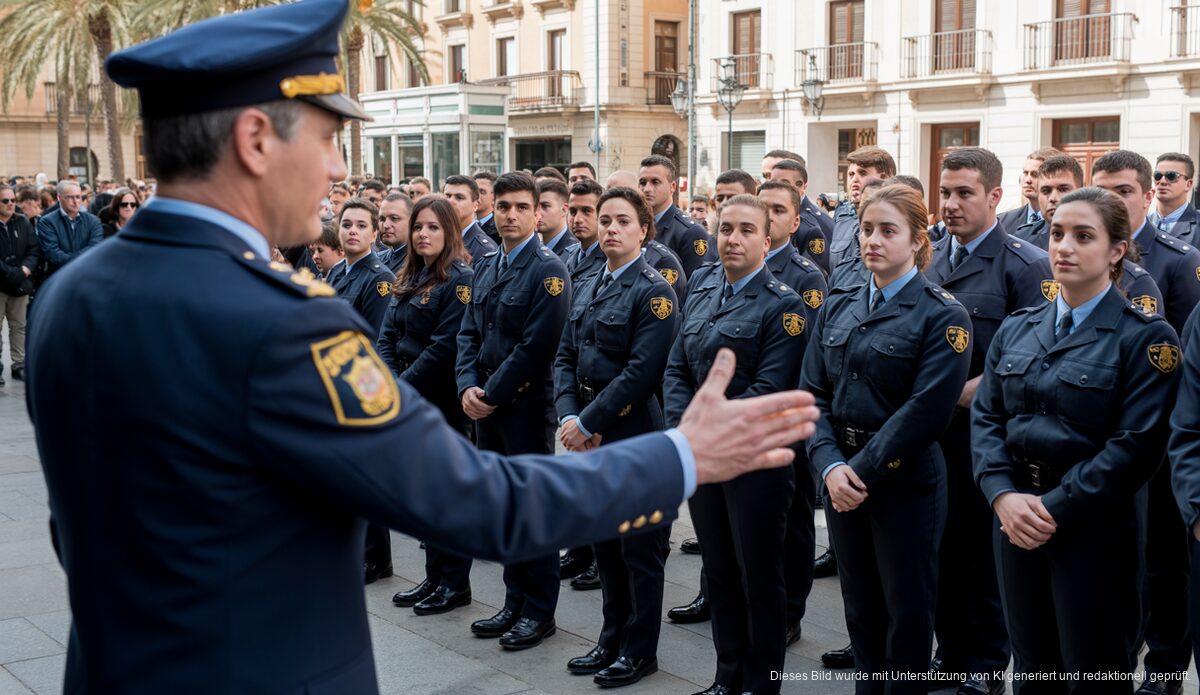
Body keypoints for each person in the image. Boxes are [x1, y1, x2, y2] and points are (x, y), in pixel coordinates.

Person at [29, 2, 822, 692]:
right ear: (255, 138)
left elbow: (82, 531)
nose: (339, 166)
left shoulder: (71, 293)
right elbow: (481, 504)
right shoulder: (279, 321)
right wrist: (684, 454)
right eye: (330, 136)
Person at [973, 187, 1180, 689]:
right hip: (1016, 523)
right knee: (1033, 670)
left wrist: (1051, 508)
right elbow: (987, 418)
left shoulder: (1146, 337)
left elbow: (1136, 447)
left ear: (1116, 251)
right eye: (1057, 233)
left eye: (1083, 236)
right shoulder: (1019, 328)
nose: (1063, 246)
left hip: (1094, 532)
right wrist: (1002, 496)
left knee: (1095, 673)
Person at [800, 183, 971, 693]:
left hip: (903, 482)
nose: (872, 240)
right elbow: (811, 392)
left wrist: (859, 471)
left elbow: (926, 411)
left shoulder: (943, 315)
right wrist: (830, 466)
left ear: (918, 240)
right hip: (841, 478)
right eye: (868, 230)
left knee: (907, 612)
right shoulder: (841, 303)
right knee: (861, 608)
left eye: (888, 231)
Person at [665, 195, 810, 695]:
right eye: (726, 229)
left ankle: (760, 683)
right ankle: (727, 677)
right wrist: (686, 431)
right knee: (720, 573)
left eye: (746, 230)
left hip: (755, 465)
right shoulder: (703, 287)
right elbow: (678, 367)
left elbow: (771, 388)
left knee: (759, 580)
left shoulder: (785, 305)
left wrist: (710, 430)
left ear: (767, 242)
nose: (733, 239)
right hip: (702, 458)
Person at [925, 148, 1054, 695]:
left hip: (991, 437)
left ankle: (987, 664)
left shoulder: (1026, 266)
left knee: (986, 557)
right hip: (934, 436)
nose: (950, 204)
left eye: (964, 194)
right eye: (946, 192)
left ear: (995, 197)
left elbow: (1033, 354)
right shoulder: (929, 257)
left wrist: (953, 393)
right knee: (944, 552)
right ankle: (950, 653)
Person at [554, 186, 680, 688]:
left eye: (622, 221)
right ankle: (610, 636)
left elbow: (643, 372)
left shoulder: (655, 292)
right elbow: (565, 355)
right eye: (604, 219)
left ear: (644, 231)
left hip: (631, 434)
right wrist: (568, 415)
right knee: (606, 546)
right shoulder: (587, 283)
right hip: (587, 431)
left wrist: (586, 424)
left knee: (639, 552)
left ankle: (638, 649)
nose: (609, 228)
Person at [1092, 150, 1200, 694]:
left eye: (1125, 191)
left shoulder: (1176, 261)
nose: (1113, 201)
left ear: (1145, 194)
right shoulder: (1076, 253)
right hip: (1097, 439)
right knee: (1118, 564)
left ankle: (1164, 668)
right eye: (1102, 189)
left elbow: (1182, 358)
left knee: (1164, 560)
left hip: (1159, 437)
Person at [455, 171, 573, 651]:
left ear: (538, 213)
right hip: (486, 405)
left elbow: (535, 348)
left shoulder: (548, 272)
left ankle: (538, 611)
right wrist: (466, 385)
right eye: (502, 206)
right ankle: (512, 601)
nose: (510, 215)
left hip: (524, 407)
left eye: (521, 207)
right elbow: (468, 333)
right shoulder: (486, 263)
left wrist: (489, 394)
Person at [377, 196, 476, 616]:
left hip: (439, 404)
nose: (423, 234)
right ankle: (433, 577)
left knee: (448, 498)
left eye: (433, 227)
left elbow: (443, 348)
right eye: (418, 227)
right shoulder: (410, 274)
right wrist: (387, 383)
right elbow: (386, 336)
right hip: (407, 398)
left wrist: (401, 389)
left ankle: (454, 583)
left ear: (450, 231)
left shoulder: (459, 279)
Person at [639, 155, 715, 276]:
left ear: (672, 186)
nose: (647, 189)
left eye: (655, 182)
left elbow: (696, 284)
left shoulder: (691, 232)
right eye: (642, 182)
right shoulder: (636, 226)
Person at [0, 184, 40, 384]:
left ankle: (19, 364)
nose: (10, 204)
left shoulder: (23, 222)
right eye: (5, 201)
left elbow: (34, 250)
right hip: (1, 284)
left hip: (20, 284)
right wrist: (11, 274)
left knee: (19, 326)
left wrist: (24, 270)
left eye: (13, 200)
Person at [830, 146, 895, 268]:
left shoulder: (899, 217)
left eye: (863, 173)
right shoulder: (842, 214)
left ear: (885, 178)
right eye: (851, 174)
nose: (854, 180)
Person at [767, 159, 832, 274]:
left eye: (783, 184)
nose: (775, 188)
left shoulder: (812, 226)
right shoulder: (763, 216)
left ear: (801, 186)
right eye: (772, 183)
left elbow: (814, 275)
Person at [37, 180, 103, 278]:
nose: (75, 201)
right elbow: (53, 253)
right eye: (70, 197)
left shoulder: (93, 221)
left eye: (78, 197)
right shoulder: (47, 222)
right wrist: (79, 262)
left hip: (87, 277)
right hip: (59, 278)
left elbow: (94, 249)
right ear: (59, 198)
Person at [997, 147, 1062, 236]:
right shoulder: (1003, 221)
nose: (1028, 180)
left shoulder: (1063, 222)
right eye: (1025, 173)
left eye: (1035, 175)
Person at [443, 174, 498, 266]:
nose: (451, 201)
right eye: (448, 196)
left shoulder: (485, 250)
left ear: (475, 205)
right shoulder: (436, 238)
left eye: (459, 197)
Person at [565, 179, 607, 285]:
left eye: (587, 211)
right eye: (573, 212)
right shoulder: (564, 255)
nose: (578, 220)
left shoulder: (611, 260)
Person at [1151, 153, 1198, 243]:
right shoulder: (1141, 223)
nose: (1162, 181)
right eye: (1158, 176)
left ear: (1188, 184)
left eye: (1171, 176)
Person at [536, 178, 579, 258]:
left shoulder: (573, 252)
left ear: (564, 209)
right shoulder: (532, 247)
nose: (538, 213)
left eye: (545, 206)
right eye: (535, 207)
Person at [377, 191, 412, 274]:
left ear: (411, 222)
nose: (386, 225)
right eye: (382, 219)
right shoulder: (378, 258)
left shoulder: (420, 263)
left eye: (394, 218)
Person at [474, 170, 499, 243]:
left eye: (482, 192)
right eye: (474, 191)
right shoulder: (467, 225)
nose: (476, 195)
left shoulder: (498, 230)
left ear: (494, 197)